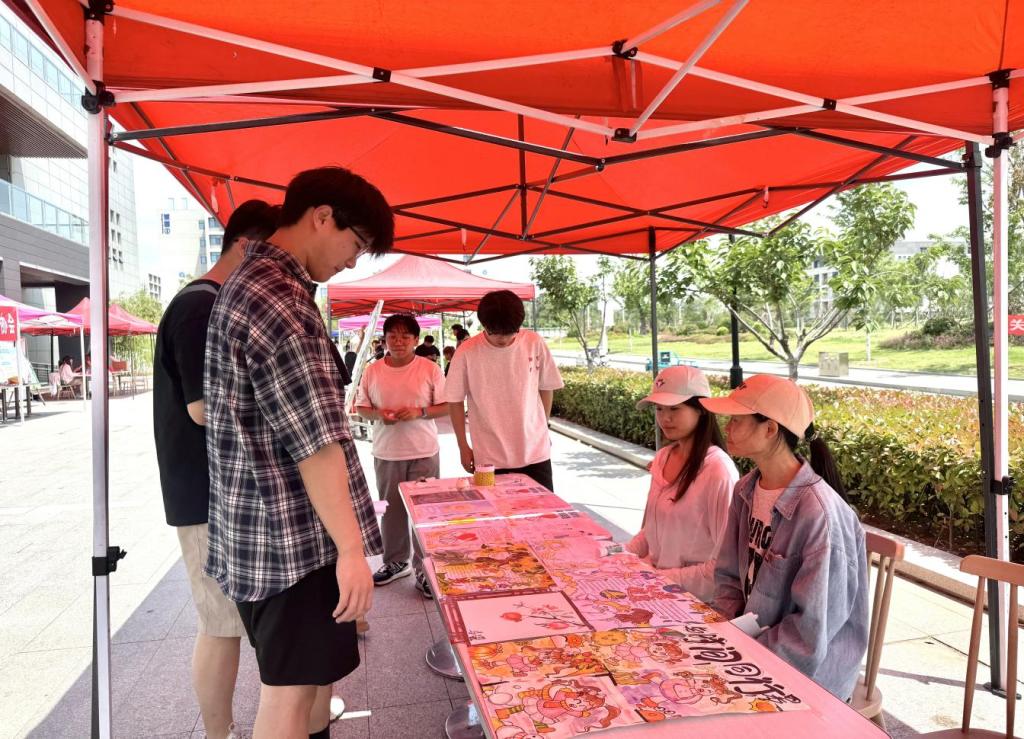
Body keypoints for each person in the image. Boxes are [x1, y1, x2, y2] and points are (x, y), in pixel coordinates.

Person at [204, 167, 393, 739]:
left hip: (264, 530)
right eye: (356, 244)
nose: (353, 262)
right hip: (290, 539)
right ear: (322, 217)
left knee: (305, 686)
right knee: (287, 696)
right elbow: (316, 445)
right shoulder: (281, 299)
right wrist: (351, 550)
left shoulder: (250, 282)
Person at [152, 199, 280, 739]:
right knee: (221, 623)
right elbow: (204, 409)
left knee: (226, 621)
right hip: (207, 495)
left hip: (215, 492)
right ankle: (219, 732)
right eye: (272, 259)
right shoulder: (201, 307)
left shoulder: (207, 302)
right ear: (247, 247)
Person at [700, 374, 868, 701]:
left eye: (736, 420)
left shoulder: (819, 514)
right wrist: (723, 638)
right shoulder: (746, 489)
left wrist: (738, 657)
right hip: (749, 650)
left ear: (770, 429)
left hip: (808, 680)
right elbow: (729, 576)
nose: (727, 428)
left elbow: (809, 636)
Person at [625, 366, 739, 603]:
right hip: (655, 588)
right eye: (659, 409)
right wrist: (621, 555)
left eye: (674, 408)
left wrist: (657, 578)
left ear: (701, 409)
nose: (664, 418)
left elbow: (724, 564)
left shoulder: (718, 470)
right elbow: (653, 530)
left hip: (694, 601)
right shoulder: (663, 457)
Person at [355, 313, 447, 599]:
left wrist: (420, 411)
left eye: (405, 336)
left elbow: (446, 406)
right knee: (391, 510)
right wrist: (379, 415)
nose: (398, 341)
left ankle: (424, 569)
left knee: (424, 513)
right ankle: (396, 561)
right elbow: (361, 408)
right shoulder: (372, 371)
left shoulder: (430, 369)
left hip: (423, 451)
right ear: (384, 339)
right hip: (387, 452)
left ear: (416, 340)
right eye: (392, 336)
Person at [445, 290, 563, 491]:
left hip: (535, 453)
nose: (503, 339)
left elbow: (546, 387)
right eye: (496, 332)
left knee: (542, 509)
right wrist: (463, 446)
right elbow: (454, 401)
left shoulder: (534, 342)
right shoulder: (466, 352)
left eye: (510, 332)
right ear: (484, 324)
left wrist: (543, 427)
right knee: (494, 509)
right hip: (488, 457)